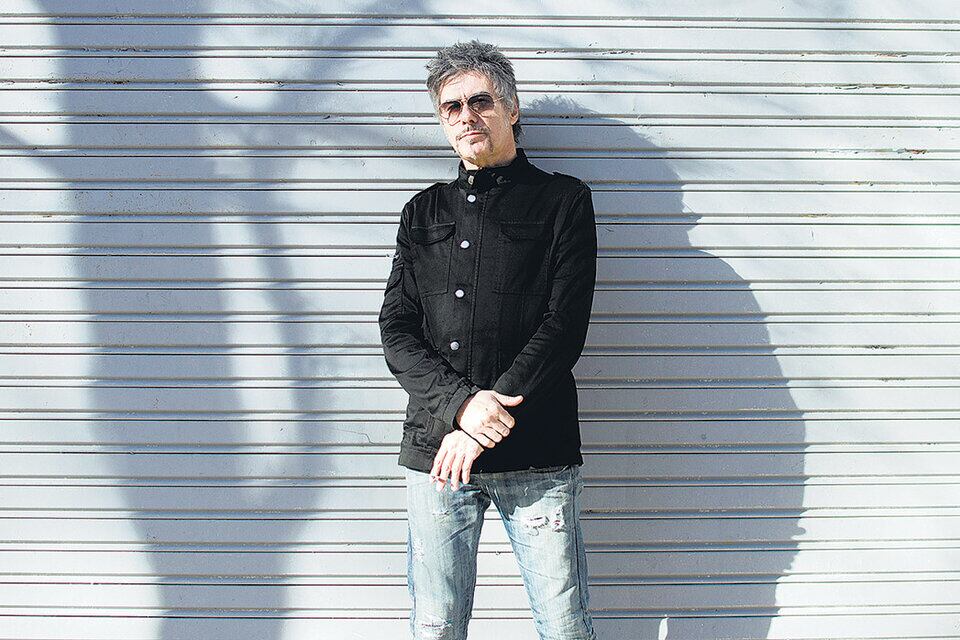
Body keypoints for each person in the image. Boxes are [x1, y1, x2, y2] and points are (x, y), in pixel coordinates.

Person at [378, 39, 599, 640]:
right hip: (438, 451)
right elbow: (396, 330)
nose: (466, 116)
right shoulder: (421, 213)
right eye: (452, 107)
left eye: (480, 101)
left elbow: (564, 327)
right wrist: (461, 408)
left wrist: (482, 421)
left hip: (537, 449)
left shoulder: (563, 201)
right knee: (435, 625)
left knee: (564, 626)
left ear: (511, 108)